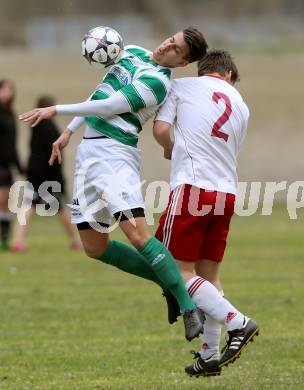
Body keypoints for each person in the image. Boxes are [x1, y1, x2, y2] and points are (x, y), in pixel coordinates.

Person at [19, 27, 208, 342]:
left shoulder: (158, 84)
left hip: (115, 155)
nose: (167, 45)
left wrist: (57, 109)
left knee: (137, 234)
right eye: (170, 39)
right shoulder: (131, 50)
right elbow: (99, 95)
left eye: (175, 49)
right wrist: (69, 131)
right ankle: (169, 282)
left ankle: (189, 306)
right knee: (94, 247)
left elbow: (111, 107)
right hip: (89, 155)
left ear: (182, 63)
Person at [153, 50, 259, 376]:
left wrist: (169, 148)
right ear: (228, 74)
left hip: (193, 188)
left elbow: (159, 129)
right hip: (226, 193)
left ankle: (237, 322)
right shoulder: (241, 104)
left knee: (174, 267)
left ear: (206, 70)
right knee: (208, 276)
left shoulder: (182, 87)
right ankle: (210, 354)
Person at [11, 95, 81, 253]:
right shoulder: (49, 126)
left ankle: (17, 241)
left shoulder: (35, 126)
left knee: (28, 206)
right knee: (62, 207)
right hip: (49, 176)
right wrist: (59, 178)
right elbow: (54, 153)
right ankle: (76, 240)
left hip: (34, 174)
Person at [0, 79, 24, 251]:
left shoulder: (10, 113)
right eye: (5, 89)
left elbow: (12, 144)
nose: (9, 92)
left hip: (6, 164)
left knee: (5, 204)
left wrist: (19, 166)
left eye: (11, 89)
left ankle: (5, 239)